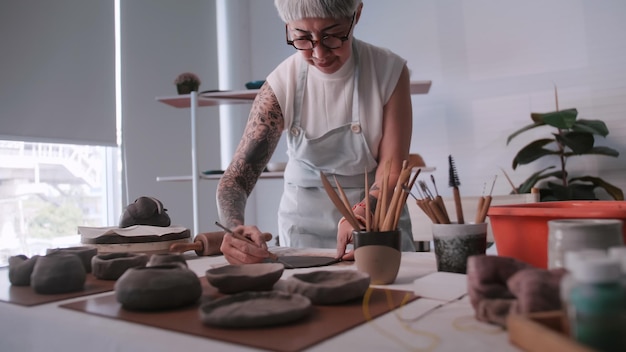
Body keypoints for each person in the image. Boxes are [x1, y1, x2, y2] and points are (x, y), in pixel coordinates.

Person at [216, 0, 416, 264]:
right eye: (302, 38)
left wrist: (362, 215)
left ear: (356, 14)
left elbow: (391, 170)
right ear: (289, 27)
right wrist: (234, 229)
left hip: (377, 224)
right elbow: (235, 180)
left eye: (332, 36)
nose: (319, 53)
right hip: (304, 234)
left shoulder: (388, 71)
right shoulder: (280, 85)